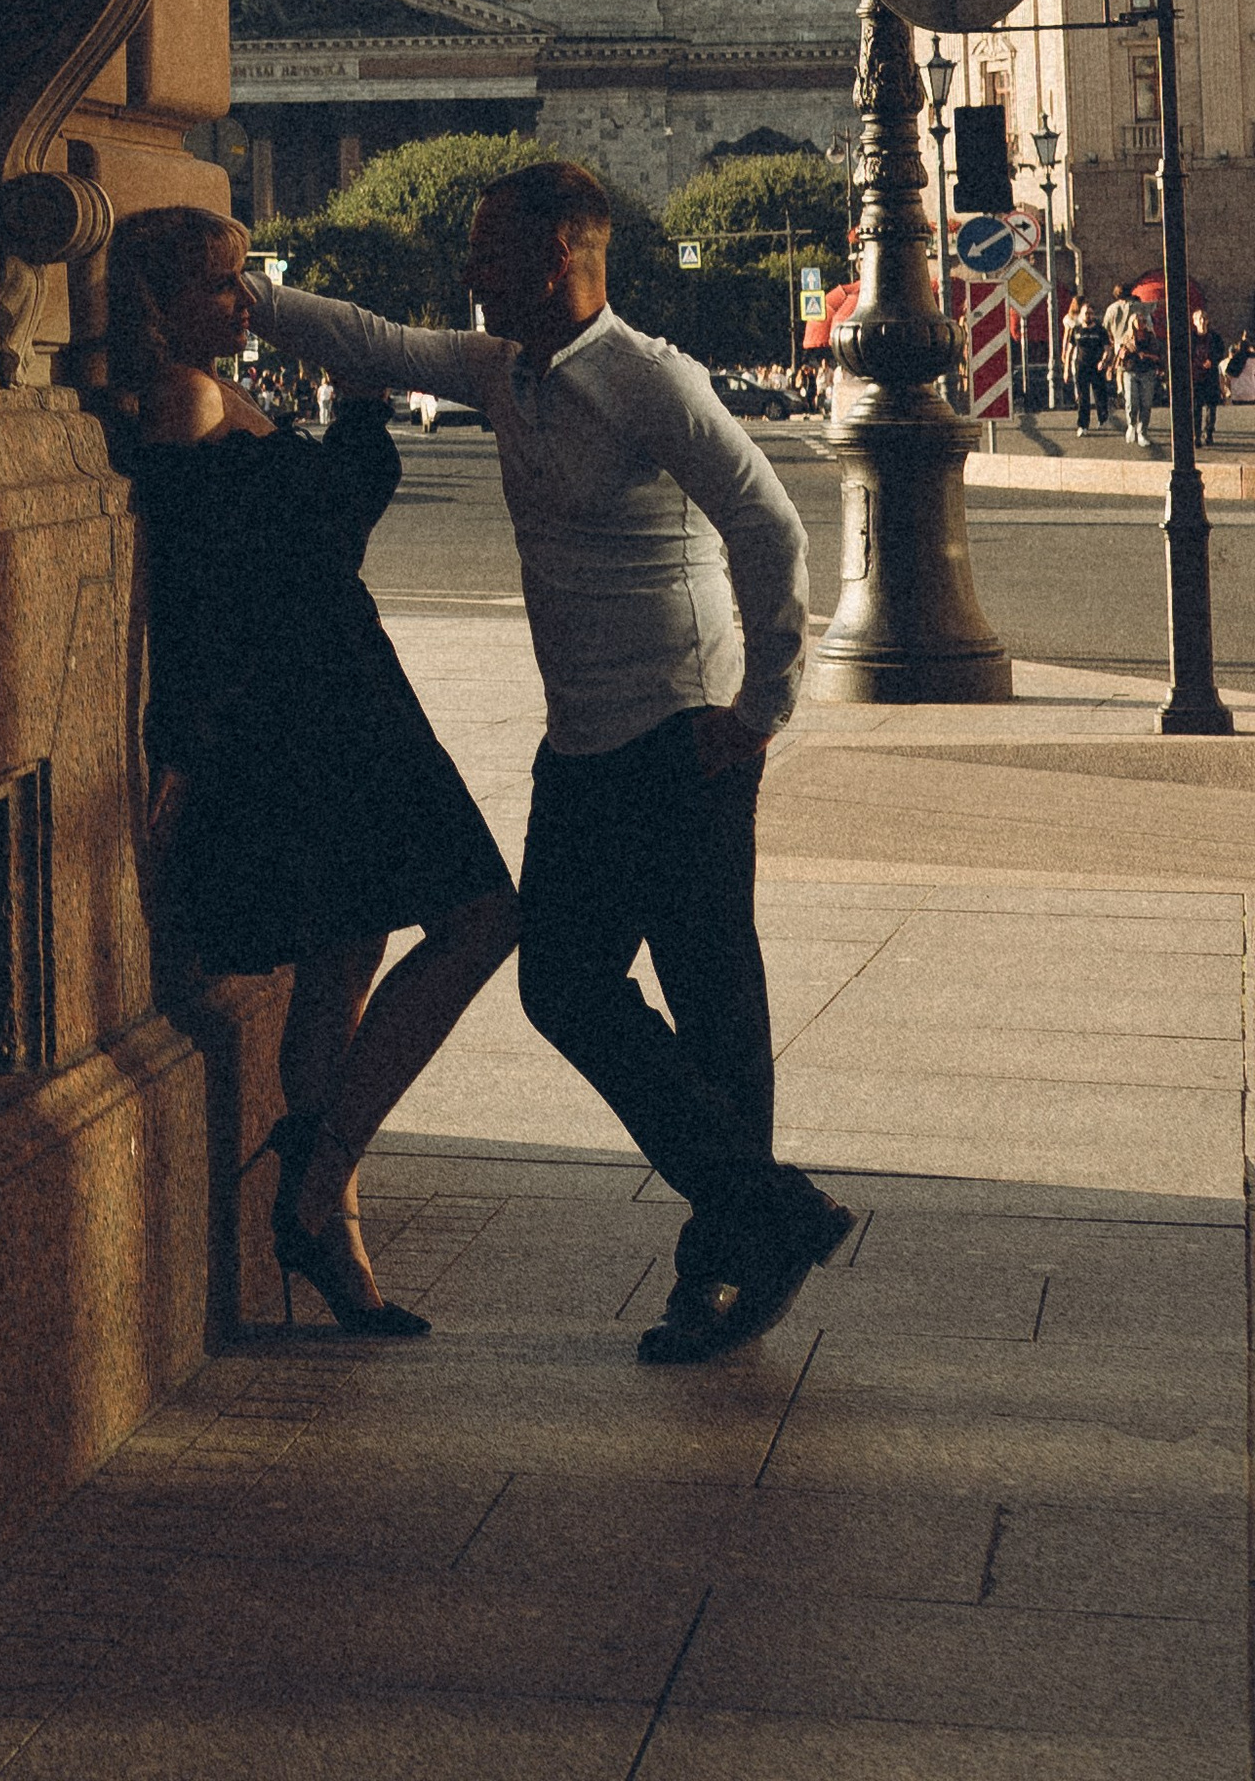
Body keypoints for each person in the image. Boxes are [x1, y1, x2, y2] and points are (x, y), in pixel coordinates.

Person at [249, 160, 849, 1366]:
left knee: (709, 1000)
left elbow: (769, 525)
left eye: (485, 249)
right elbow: (370, 339)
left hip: (683, 736)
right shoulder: (499, 371)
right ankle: (761, 1212)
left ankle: (726, 1258)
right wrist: (242, 294)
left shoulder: (647, 378)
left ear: (561, 256)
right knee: (564, 986)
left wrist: (762, 705)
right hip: (579, 740)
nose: (465, 271)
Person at [108, 206, 520, 1337]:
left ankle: (326, 1215)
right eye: (214, 286)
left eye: (244, 282)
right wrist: (184, 748)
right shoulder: (186, 399)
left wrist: (350, 401)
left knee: (348, 951)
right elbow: (204, 590)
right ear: (155, 299)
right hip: (304, 707)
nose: (241, 305)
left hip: (339, 686)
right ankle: (318, 1176)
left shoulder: (229, 393)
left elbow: (310, 531)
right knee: (481, 915)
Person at [1102, 286, 1154, 446]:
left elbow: (1106, 329)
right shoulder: (1141, 307)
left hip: (1121, 347)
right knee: (1143, 401)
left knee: (1131, 394)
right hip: (1130, 351)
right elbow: (1151, 326)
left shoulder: (1112, 309)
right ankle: (1137, 428)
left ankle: (1121, 391)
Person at [1065, 299, 1105, 436]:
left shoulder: (1100, 329)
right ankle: (1083, 425)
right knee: (1083, 397)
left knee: (1099, 394)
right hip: (1081, 366)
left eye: (1091, 313)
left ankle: (1103, 417)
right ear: (1081, 314)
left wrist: (1104, 360)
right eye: (1086, 313)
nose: (1088, 315)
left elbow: (1107, 348)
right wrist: (1066, 370)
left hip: (1097, 367)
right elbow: (1070, 349)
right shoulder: (1076, 330)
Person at [1190, 303, 1222, 451]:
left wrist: (1212, 360)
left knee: (1211, 406)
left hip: (1210, 375)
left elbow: (1220, 352)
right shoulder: (1190, 338)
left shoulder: (1215, 337)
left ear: (1207, 321)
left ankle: (1208, 432)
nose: (1202, 321)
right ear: (1194, 321)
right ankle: (1196, 435)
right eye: (1199, 318)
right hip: (1196, 376)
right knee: (1196, 407)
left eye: (1204, 318)